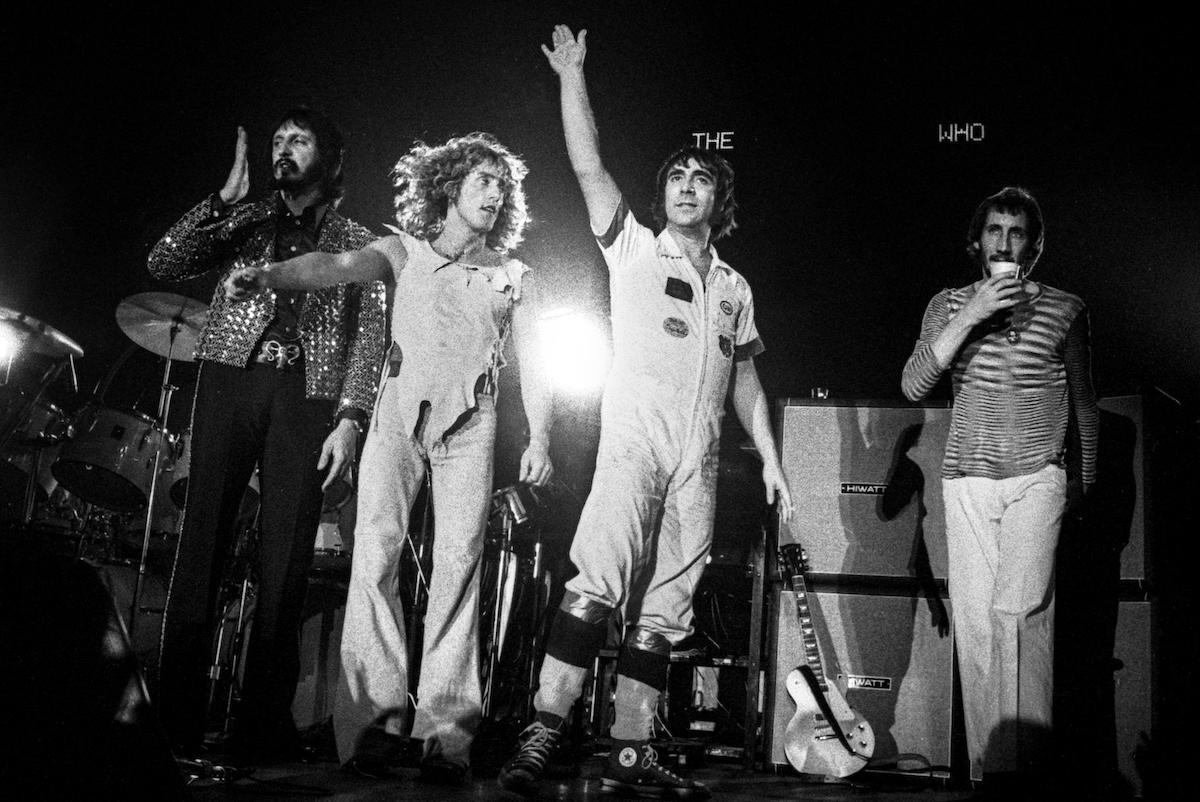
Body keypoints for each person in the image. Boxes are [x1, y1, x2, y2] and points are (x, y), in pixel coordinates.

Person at [497, 26, 792, 799]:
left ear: (719, 200)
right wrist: (573, 75)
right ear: (662, 196)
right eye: (677, 178)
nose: (687, 186)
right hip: (633, 451)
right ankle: (542, 733)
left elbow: (745, 379)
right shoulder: (632, 249)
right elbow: (588, 163)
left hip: (698, 466)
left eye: (702, 179)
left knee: (666, 613)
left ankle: (631, 750)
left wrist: (770, 454)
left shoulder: (735, 286)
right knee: (593, 588)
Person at [224, 132, 554, 782]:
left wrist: (540, 435)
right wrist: (267, 275)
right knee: (374, 561)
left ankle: (444, 740)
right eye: (483, 180)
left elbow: (536, 363)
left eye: (502, 186)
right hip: (397, 415)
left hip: (472, 422)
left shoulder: (514, 277)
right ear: (451, 186)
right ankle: (371, 730)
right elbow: (332, 266)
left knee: (460, 571)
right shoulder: (402, 252)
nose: (494, 193)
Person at [147, 107, 387, 762]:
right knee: (202, 545)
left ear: (331, 160)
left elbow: (370, 340)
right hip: (230, 381)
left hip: (304, 397)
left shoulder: (353, 241)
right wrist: (217, 202)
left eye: (299, 140)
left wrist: (351, 416)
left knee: (285, 561)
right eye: (278, 139)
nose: (284, 148)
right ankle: (174, 721)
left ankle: (260, 728)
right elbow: (164, 261)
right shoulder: (244, 222)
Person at [901, 187, 1098, 789]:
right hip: (968, 479)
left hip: (1039, 475)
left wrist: (1083, 484)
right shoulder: (948, 304)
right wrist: (972, 313)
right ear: (977, 241)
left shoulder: (1065, 308)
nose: (1004, 243)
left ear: (1033, 248)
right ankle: (993, 769)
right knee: (979, 625)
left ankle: (1023, 770)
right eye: (994, 231)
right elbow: (914, 386)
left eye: (1016, 233)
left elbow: (1084, 404)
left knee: (1020, 612)